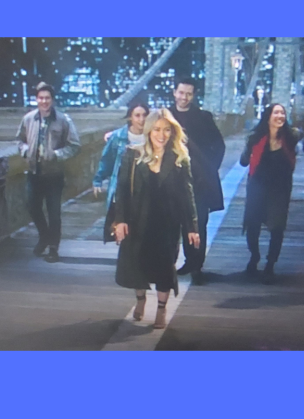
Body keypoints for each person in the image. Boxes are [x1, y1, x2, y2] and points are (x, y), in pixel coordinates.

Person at [113, 108, 200, 329]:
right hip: (137, 221)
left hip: (167, 223)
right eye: (157, 130)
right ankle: (141, 301)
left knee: (164, 267)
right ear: (149, 130)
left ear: (173, 132)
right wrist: (120, 219)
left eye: (167, 130)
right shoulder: (132, 154)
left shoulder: (180, 158)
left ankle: (161, 309)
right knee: (137, 266)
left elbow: (186, 194)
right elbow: (121, 189)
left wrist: (192, 226)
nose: (162, 135)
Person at [168, 77, 225, 285]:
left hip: (197, 182)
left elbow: (219, 146)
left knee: (198, 225)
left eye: (188, 94)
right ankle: (172, 264)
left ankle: (196, 266)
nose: (184, 98)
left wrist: (208, 170)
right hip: (170, 182)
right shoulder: (165, 117)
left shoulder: (203, 118)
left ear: (193, 95)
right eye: (181, 93)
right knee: (172, 224)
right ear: (174, 92)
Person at [16, 81, 81, 263]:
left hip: (54, 174)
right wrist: (24, 151)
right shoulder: (28, 119)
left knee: (54, 212)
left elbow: (75, 145)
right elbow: (20, 140)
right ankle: (44, 236)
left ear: (52, 100)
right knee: (32, 207)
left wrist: (57, 155)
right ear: (36, 99)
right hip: (33, 172)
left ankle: (53, 248)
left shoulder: (63, 120)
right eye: (41, 98)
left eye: (47, 98)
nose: (44, 101)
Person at [240, 104, 301, 284]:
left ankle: (270, 265)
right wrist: (248, 147)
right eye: (276, 112)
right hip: (257, 187)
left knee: (277, 227)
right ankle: (255, 256)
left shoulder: (291, 137)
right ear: (268, 116)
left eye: (283, 113)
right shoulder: (255, 138)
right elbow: (243, 162)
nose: (280, 116)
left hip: (280, 190)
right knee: (253, 226)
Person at [92, 102, 149, 242]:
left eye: (144, 115)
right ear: (130, 117)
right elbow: (107, 160)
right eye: (137, 115)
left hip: (145, 189)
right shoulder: (118, 137)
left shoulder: (152, 136)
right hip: (123, 188)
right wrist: (98, 179)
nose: (141, 119)